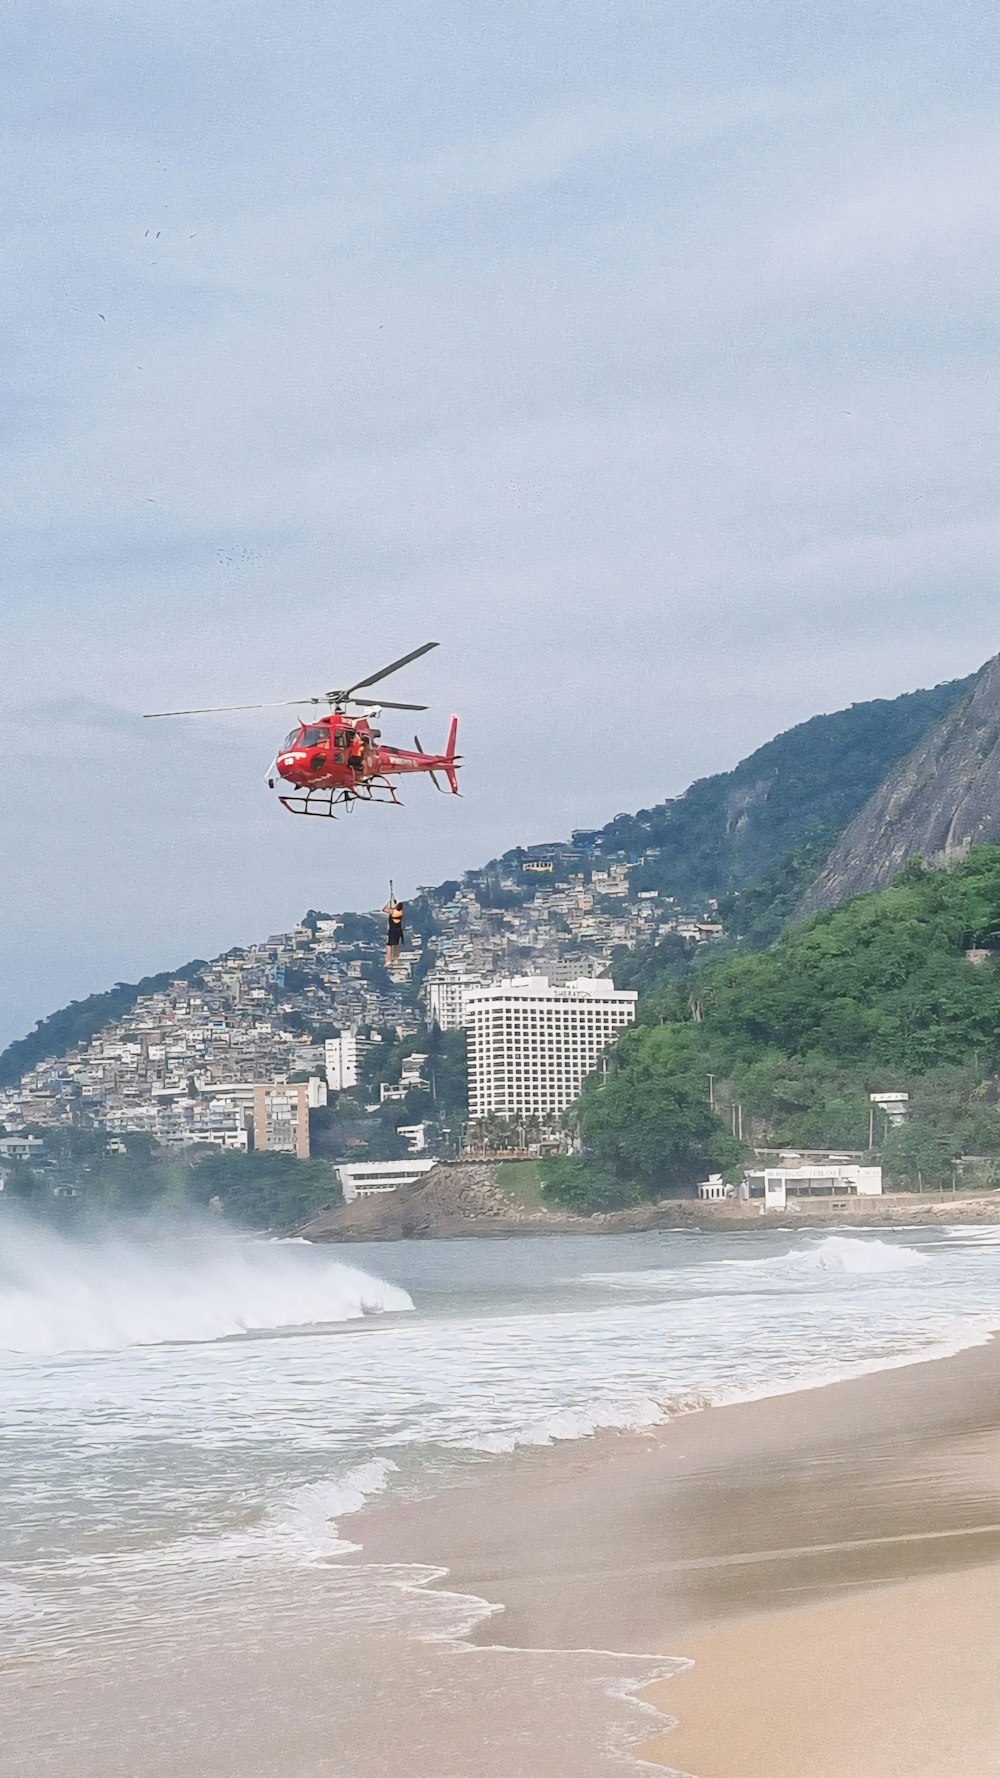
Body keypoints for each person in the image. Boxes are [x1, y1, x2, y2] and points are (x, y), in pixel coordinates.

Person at [383, 898, 405, 966]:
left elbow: (384, 909)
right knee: (396, 945)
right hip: (398, 931)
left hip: (392, 931)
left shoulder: (393, 911)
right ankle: (396, 960)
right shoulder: (401, 912)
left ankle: (388, 960)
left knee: (389, 945)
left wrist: (388, 902)